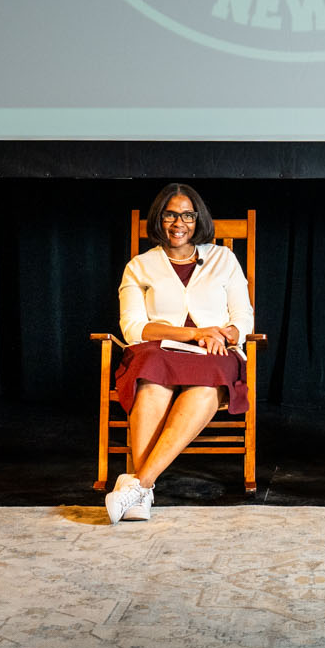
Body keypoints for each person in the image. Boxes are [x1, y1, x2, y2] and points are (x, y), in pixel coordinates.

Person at [103, 184, 255, 523]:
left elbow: (242, 317)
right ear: (159, 218)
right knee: (150, 375)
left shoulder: (223, 259)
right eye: (170, 214)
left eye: (187, 214)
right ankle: (143, 490)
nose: (179, 222)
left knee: (209, 379)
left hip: (213, 351)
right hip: (160, 350)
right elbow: (134, 328)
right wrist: (193, 333)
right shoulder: (139, 266)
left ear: (197, 218)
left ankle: (140, 485)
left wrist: (227, 334)